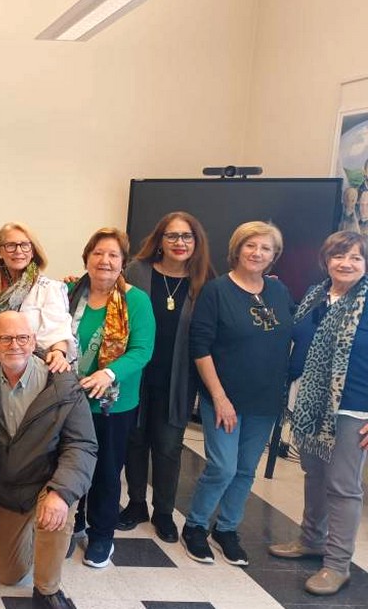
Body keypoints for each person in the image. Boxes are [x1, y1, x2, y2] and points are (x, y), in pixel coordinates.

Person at [0, 311, 97, 609]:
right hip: (8, 489)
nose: (15, 345)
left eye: (23, 338)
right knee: (8, 575)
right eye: (5, 338)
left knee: (57, 511)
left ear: (34, 341)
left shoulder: (62, 383)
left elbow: (82, 445)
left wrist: (61, 492)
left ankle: (47, 591)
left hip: (46, 481)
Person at [183, 221, 293, 567]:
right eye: (250, 245)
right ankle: (195, 525)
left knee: (245, 470)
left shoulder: (279, 291)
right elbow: (200, 347)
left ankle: (227, 529)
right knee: (222, 467)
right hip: (224, 398)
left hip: (265, 400)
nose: (257, 253)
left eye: (265, 248)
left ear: (274, 255)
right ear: (237, 249)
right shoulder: (216, 291)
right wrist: (218, 397)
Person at [267, 231, 368, 595]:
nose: (346, 263)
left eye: (356, 257)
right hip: (310, 404)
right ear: (326, 261)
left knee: (343, 486)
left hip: (354, 407)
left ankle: (337, 565)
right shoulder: (315, 295)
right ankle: (312, 539)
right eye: (338, 256)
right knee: (314, 474)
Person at [118, 212, 214, 543]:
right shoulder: (137, 271)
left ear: (196, 242)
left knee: (169, 446)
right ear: (159, 240)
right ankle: (136, 504)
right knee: (134, 440)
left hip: (178, 379)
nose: (179, 242)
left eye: (186, 236)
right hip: (136, 374)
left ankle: (163, 512)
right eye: (172, 236)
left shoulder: (205, 280)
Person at [67, 228, 155, 569]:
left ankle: (102, 534)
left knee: (106, 469)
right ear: (86, 258)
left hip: (112, 404)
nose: (104, 260)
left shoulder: (136, 300)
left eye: (113, 255)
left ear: (123, 262)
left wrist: (109, 373)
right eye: (98, 253)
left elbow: (142, 350)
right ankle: (72, 520)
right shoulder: (69, 292)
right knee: (69, 465)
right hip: (70, 399)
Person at [0, 222, 73, 373]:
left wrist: (58, 353)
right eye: (11, 246)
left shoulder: (50, 289)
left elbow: (59, 331)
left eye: (25, 245)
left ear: (33, 251)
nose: (18, 251)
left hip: (36, 370)